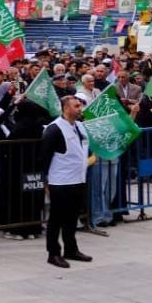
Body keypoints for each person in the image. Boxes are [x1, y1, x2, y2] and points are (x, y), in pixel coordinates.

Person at [40, 96, 93, 268]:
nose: (80, 109)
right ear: (65, 108)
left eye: (80, 106)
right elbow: (44, 157)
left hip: (78, 179)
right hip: (60, 182)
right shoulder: (54, 129)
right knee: (56, 219)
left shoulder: (80, 126)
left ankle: (71, 249)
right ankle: (53, 253)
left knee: (72, 217)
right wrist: (45, 181)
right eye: (76, 106)